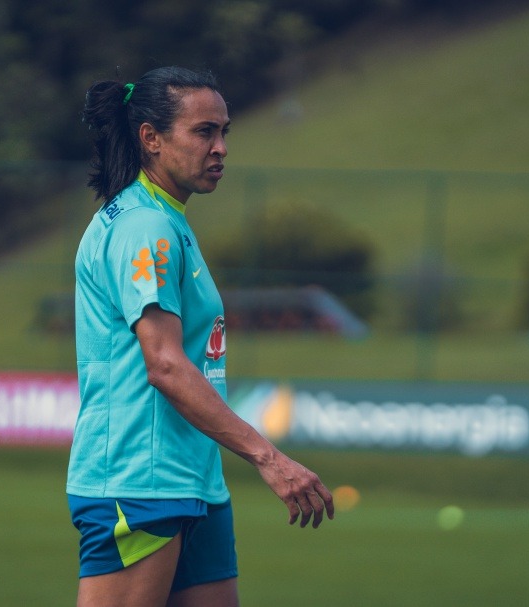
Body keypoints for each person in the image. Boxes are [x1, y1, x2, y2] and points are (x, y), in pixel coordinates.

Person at [67, 66, 334, 607]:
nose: (221, 148)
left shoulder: (166, 217)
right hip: (139, 480)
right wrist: (269, 458)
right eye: (203, 132)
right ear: (151, 139)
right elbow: (163, 364)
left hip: (192, 479)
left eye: (225, 132)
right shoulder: (146, 228)